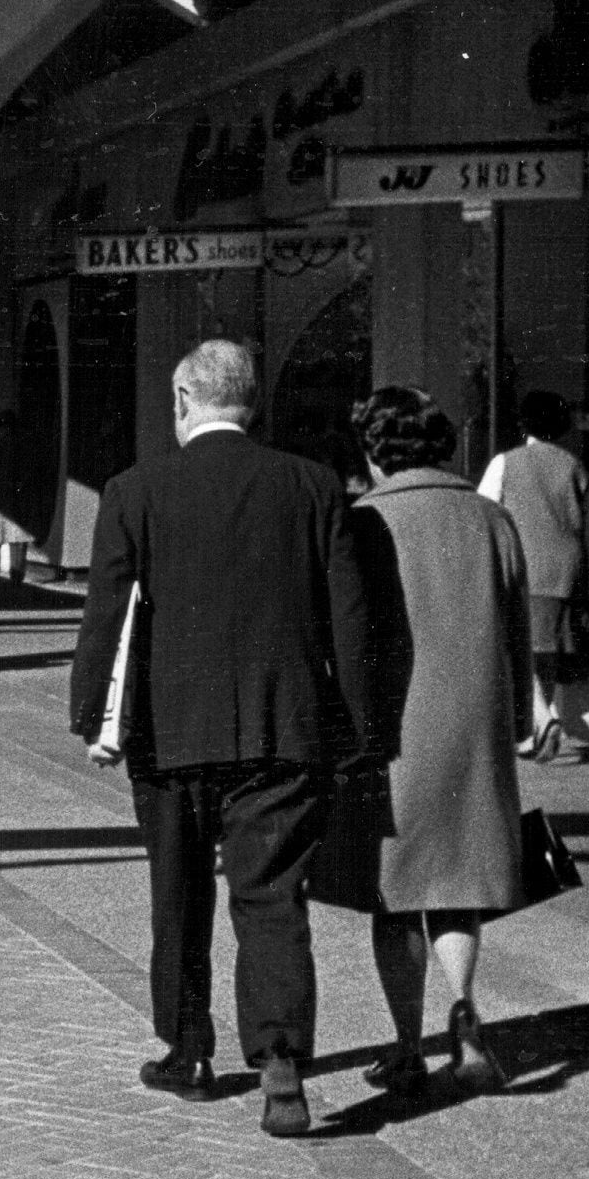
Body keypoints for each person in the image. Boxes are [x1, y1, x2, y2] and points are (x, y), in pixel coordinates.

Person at [70, 338, 373, 1138]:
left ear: (180, 400)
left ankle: (190, 1047)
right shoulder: (312, 486)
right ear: (252, 403)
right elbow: (349, 617)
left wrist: (90, 714)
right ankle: (279, 1057)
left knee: (178, 892)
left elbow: (106, 613)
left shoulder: (134, 491)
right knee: (273, 897)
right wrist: (361, 728)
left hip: (170, 734)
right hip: (284, 729)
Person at [321, 385, 535, 1099]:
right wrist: (520, 718)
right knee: (457, 882)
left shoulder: (364, 520)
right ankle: (466, 1012)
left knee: (394, 889)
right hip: (477, 719)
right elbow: (516, 630)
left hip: (392, 725)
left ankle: (408, 1044)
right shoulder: (491, 518)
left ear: (374, 450)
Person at [476, 390, 589, 761]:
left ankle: (541, 721)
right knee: (545, 652)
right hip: (567, 571)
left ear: (523, 422)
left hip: (523, 569)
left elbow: (484, 511)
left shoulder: (506, 462)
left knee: (515, 648)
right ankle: (536, 728)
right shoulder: (573, 465)